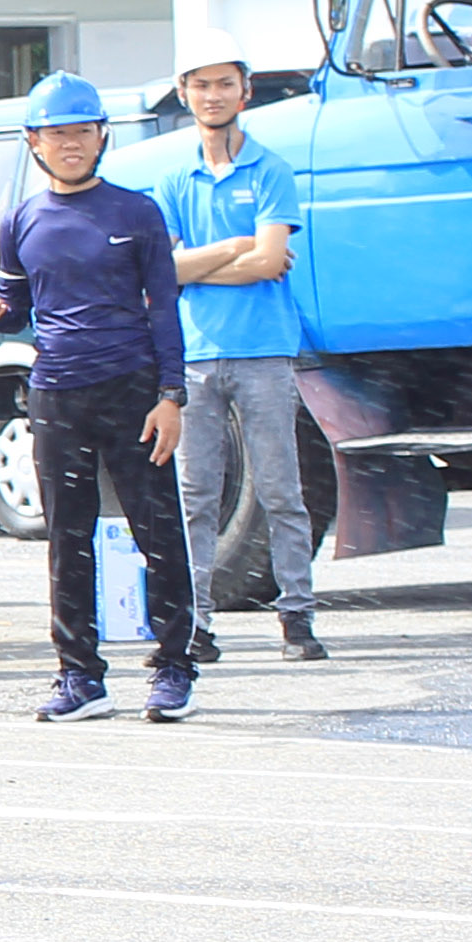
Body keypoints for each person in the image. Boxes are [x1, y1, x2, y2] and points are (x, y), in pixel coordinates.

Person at [0, 69, 193, 723]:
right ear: (33, 140)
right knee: (67, 536)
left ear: (101, 136)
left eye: (81, 132)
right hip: (56, 392)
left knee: (159, 530)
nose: (70, 144)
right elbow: (17, 312)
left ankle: (175, 667)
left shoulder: (136, 212)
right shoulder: (20, 219)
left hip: (132, 389)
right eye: (57, 133)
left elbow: (165, 308)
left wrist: (171, 393)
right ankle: (79, 677)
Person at [153, 56, 322, 663]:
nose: (213, 94)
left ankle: (297, 616)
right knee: (195, 494)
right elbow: (159, 271)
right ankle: (196, 624)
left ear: (246, 91)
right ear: (184, 93)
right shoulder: (175, 180)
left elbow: (272, 260)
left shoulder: (271, 169)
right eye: (201, 84)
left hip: (264, 351)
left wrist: (199, 266)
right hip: (196, 352)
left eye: (225, 83)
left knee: (281, 488)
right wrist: (234, 249)